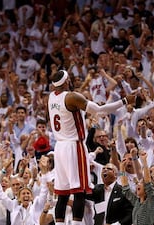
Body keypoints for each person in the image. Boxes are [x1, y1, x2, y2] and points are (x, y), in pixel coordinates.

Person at [48, 69, 135, 225]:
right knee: (79, 191)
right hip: (73, 146)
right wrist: (125, 101)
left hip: (59, 147)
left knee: (62, 194)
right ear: (67, 81)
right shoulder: (72, 97)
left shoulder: (51, 97)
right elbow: (100, 111)